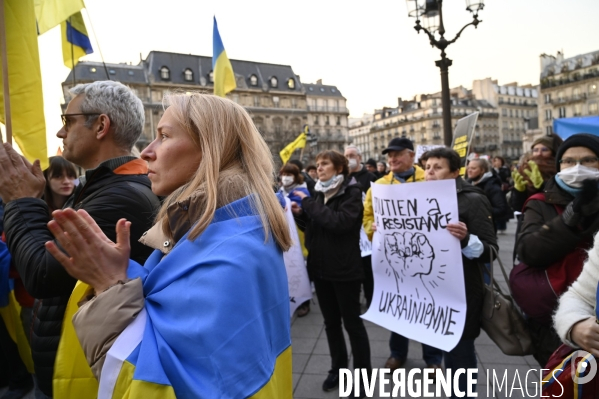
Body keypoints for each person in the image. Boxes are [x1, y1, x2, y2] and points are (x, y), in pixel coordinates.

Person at [45, 93, 293, 398]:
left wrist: (109, 287)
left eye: (163, 136)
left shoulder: (228, 256)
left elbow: (161, 388)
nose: (147, 151)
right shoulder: (233, 229)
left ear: (211, 148)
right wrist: (121, 274)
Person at [0, 81, 161, 398]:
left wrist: (20, 202)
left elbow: (43, 274)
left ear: (101, 125)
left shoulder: (120, 196)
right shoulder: (104, 187)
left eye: (68, 121)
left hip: (82, 373)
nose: (61, 133)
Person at [292, 150, 370, 397]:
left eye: (325, 164)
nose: (319, 168)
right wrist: (301, 215)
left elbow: (340, 224)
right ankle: (338, 369)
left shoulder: (352, 193)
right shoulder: (317, 193)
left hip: (345, 270)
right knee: (331, 324)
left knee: (353, 324)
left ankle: (362, 377)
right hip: (321, 270)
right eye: (317, 164)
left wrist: (308, 205)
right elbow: (316, 227)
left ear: (339, 168)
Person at [516, 133, 599, 366]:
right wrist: (569, 221)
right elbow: (528, 252)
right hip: (554, 308)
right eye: (569, 161)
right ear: (559, 164)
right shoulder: (540, 202)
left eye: (588, 160)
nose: (578, 167)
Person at [362, 137, 444, 372]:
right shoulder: (378, 186)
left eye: (397, 154)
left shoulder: (430, 180)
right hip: (396, 259)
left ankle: (433, 358)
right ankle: (397, 354)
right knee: (400, 308)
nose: (392, 159)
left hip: (427, 257)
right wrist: (373, 231)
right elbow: (367, 217)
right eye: (389, 155)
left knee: (429, 307)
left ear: (411, 155)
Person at [424, 148, 498, 398]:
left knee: (460, 352)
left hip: (463, 291)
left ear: (456, 172)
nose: (430, 172)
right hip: (432, 289)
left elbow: (491, 250)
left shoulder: (472, 199)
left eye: (437, 167)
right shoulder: (419, 198)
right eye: (427, 167)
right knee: (446, 347)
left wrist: (466, 239)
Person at [344, 145, 377, 307]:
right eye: (346, 155)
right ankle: (354, 302)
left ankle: (372, 301)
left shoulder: (371, 177)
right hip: (350, 232)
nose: (349, 158)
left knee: (369, 271)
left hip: (367, 232)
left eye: (352, 155)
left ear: (359, 157)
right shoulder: (341, 178)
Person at [278, 163, 311, 317]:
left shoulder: (302, 192)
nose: (285, 178)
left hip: (300, 236)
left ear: (296, 176)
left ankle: (304, 302)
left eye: (289, 174)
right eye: (283, 174)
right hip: (286, 236)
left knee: (300, 266)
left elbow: (305, 213)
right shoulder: (279, 192)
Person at [467, 158, 510, 234]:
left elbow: (501, 209)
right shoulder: (467, 184)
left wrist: (480, 212)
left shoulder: (492, 186)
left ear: (482, 170)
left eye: (473, 168)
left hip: (485, 230)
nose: (469, 171)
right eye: (468, 168)